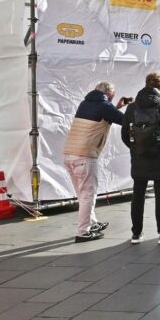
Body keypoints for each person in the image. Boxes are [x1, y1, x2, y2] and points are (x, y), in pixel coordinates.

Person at [63, 81, 128, 242]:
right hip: (84, 156)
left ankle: (91, 223)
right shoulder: (105, 106)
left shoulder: (85, 103)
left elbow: (104, 115)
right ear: (110, 94)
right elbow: (124, 120)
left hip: (69, 153)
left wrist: (115, 107)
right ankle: (82, 232)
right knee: (87, 195)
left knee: (82, 194)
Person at [121, 73, 160, 245]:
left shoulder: (132, 108)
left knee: (138, 194)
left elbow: (124, 134)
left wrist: (136, 147)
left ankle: (136, 233)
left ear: (146, 84)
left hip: (139, 156)